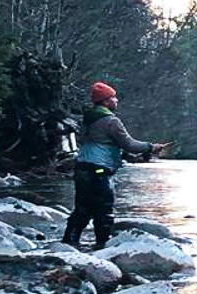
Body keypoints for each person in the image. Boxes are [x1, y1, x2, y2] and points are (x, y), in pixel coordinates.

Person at [62, 81, 172, 249]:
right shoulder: (111, 121)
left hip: (82, 168)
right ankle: (102, 246)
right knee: (104, 209)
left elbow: (102, 144)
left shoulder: (88, 118)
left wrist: (126, 155)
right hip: (99, 170)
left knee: (82, 208)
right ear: (105, 101)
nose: (117, 100)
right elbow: (129, 144)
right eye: (113, 97)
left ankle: (69, 243)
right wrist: (151, 147)